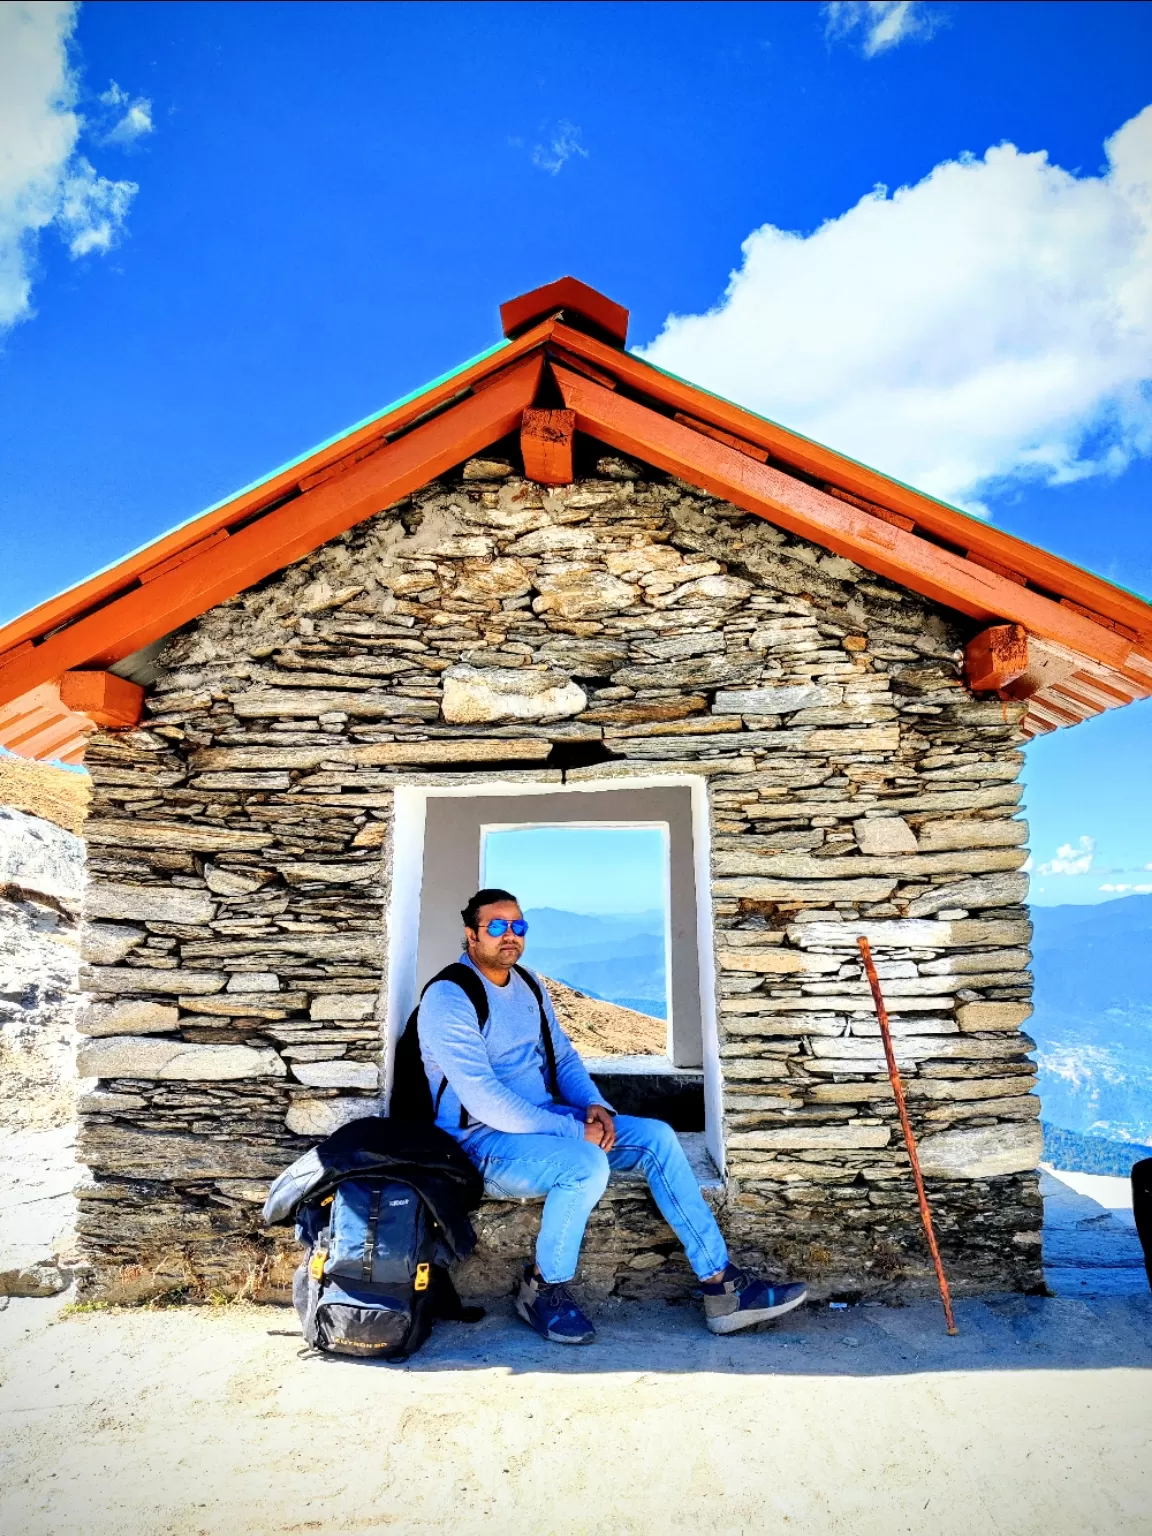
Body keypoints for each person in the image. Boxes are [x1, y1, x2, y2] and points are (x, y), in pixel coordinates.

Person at [417, 887, 808, 1345]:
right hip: (482, 1143)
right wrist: (574, 1129)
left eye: (518, 926)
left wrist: (597, 1108)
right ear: (470, 934)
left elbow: (562, 1059)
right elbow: (483, 1098)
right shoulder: (449, 996)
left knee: (657, 1138)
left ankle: (721, 1286)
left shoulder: (528, 985)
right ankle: (542, 1291)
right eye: (497, 926)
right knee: (584, 1164)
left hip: (548, 1124)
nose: (510, 936)